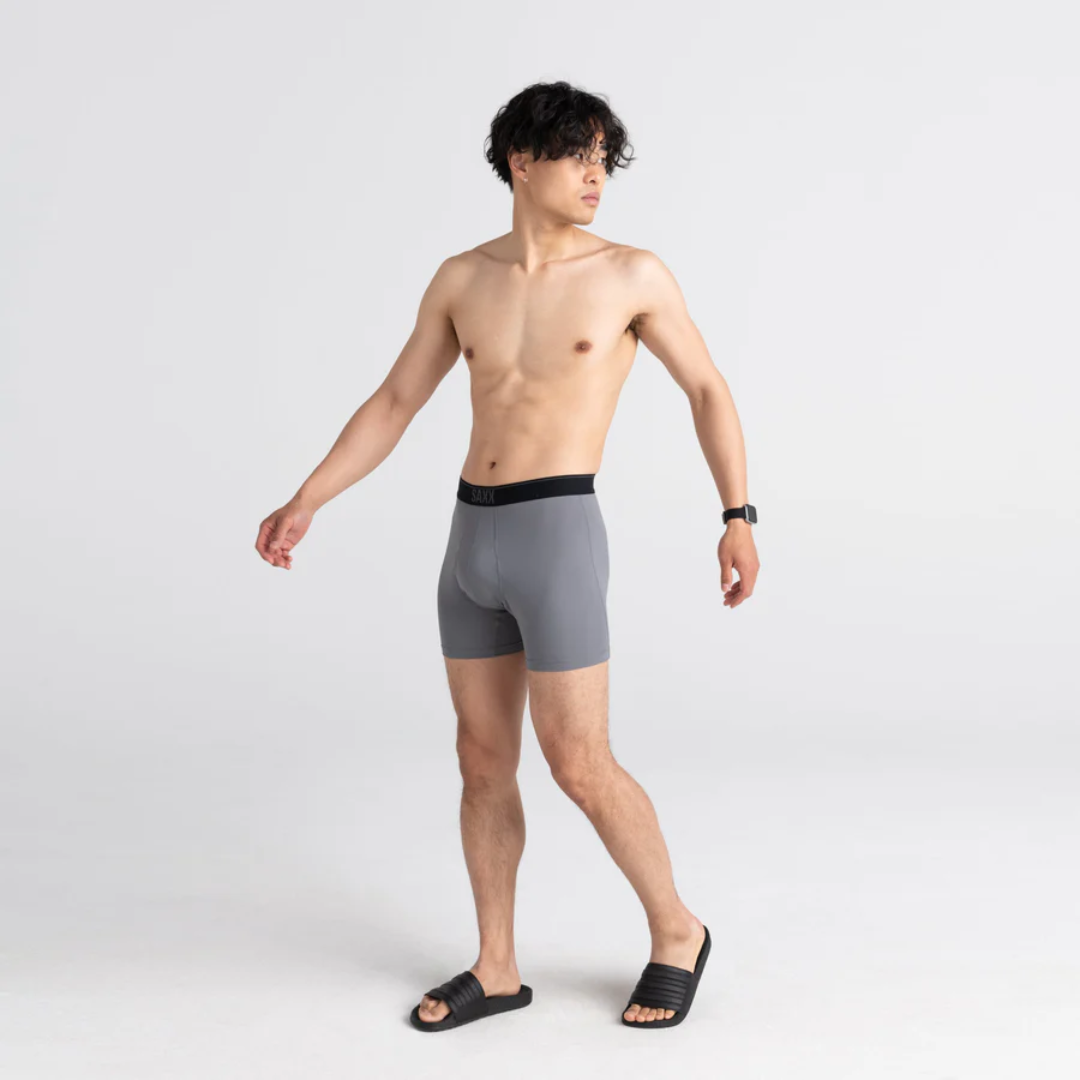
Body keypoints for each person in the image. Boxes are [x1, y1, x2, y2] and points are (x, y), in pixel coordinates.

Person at [255, 80, 760, 1031]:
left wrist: (737, 513)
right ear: (522, 162)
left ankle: (677, 929)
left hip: (556, 533)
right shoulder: (462, 278)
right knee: (482, 760)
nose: (597, 176)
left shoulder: (630, 275)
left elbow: (706, 388)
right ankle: (496, 967)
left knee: (580, 762)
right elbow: (395, 402)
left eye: (605, 160)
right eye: (579, 156)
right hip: (471, 538)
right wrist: (308, 498)